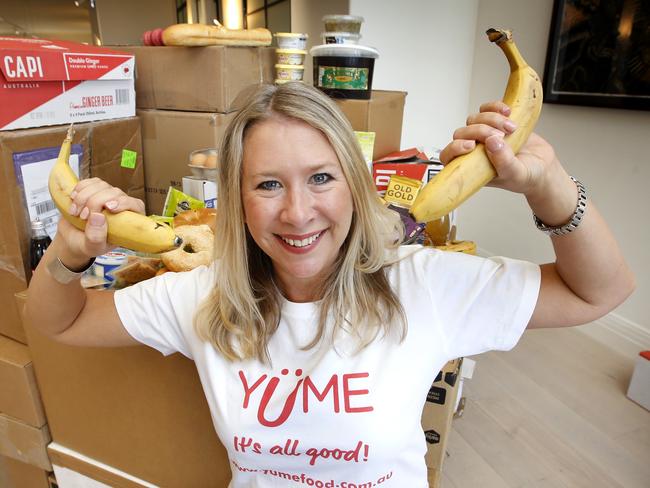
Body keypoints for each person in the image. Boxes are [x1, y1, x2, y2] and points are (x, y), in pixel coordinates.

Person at [27, 82, 635, 487]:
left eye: (320, 178)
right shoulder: (205, 297)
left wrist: (546, 183)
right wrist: (70, 250)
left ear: (354, 185)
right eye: (267, 185)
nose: (297, 213)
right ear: (237, 201)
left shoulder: (421, 286)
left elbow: (597, 293)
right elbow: (60, 321)